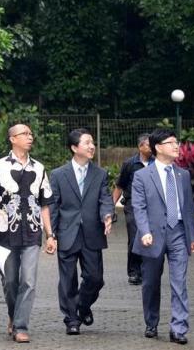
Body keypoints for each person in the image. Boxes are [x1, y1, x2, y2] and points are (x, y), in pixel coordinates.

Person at [0, 124, 55, 343]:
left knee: (29, 281)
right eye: (24, 134)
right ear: (12, 139)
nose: (29, 137)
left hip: (32, 232)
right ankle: (13, 316)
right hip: (4, 234)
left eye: (31, 134)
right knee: (10, 280)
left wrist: (50, 235)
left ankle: (21, 326)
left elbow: (45, 204)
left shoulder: (39, 168)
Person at [131, 128, 194, 345]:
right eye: (171, 142)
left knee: (179, 281)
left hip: (179, 233)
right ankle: (151, 322)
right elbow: (138, 207)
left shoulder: (183, 174)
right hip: (152, 235)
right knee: (151, 283)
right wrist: (144, 232)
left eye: (176, 142)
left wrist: (193, 237)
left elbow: (188, 207)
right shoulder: (142, 175)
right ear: (158, 147)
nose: (176, 146)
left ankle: (178, 328)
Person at [49, 128, 114, 335]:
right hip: (67, 233)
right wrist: (51, 234)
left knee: (95, 278)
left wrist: (107, 215)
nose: (92, 146)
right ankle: (72, 320)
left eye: (92, 142)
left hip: (92, 233)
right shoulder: (58, 175)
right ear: (74, 147)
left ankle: (83, 306)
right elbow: (53, 206)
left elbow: (105, 198)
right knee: (67, 280)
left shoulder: (100, 173)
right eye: (87, 142)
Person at [112, 133, 154, 286]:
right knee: (135, 237)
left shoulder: (156, 163)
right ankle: (134, 272)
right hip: (132, 205)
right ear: (140, 147)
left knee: (151, 238)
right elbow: (120, 186)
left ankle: (147, 271)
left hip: (152, 207)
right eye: (149, 145)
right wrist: (112, 207)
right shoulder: (130, 164)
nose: (152, 147)